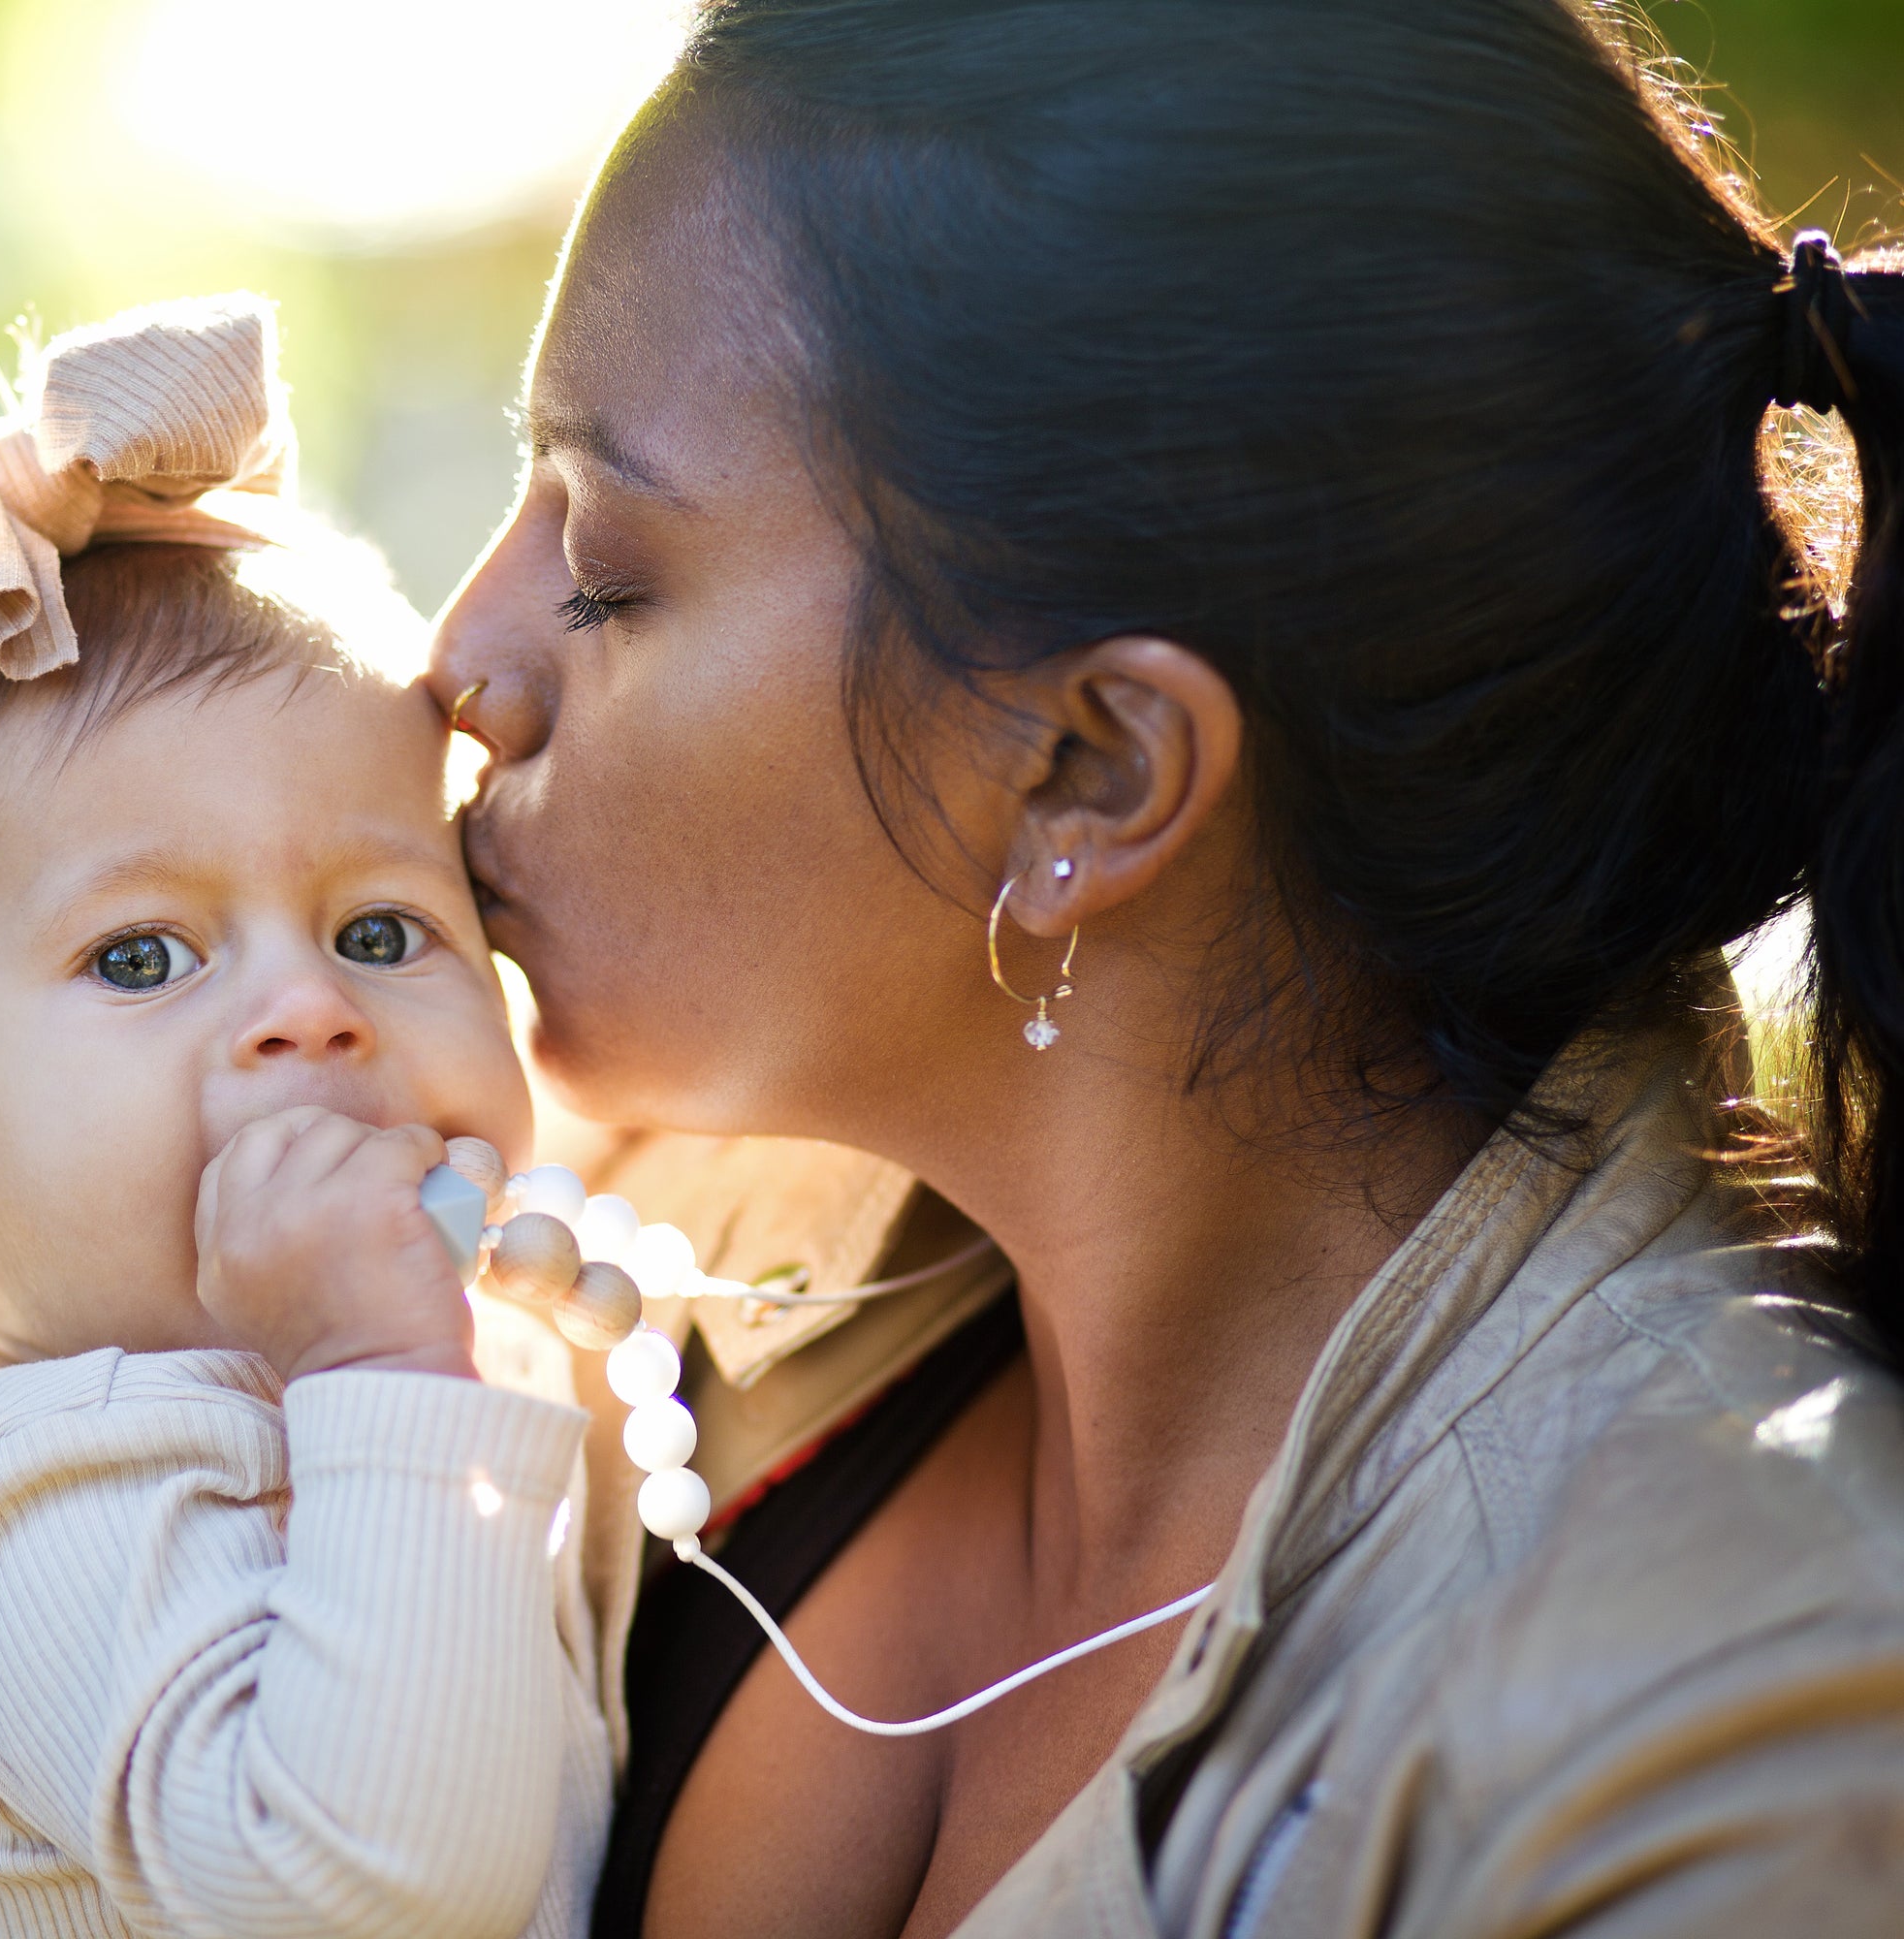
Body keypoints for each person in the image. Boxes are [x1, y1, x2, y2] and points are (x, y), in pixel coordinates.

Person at [422, 1, 1904, 1934]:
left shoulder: (1741, 1730)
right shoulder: (654, 1253)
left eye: (605, 565)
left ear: (1093, 771)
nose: (462, 653)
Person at [0, 295, 614, 1939]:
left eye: (380, 930)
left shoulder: (469, 1335)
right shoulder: (16, 1511)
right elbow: (377, 1889)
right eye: (143, 956)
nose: (309, 1008)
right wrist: (376, 1375)